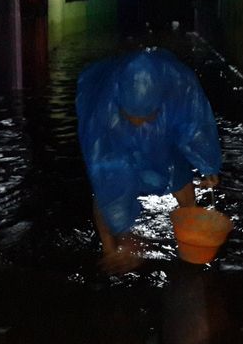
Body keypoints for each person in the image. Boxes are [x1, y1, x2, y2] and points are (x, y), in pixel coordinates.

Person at [76, 47, 222, 273]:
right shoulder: (102, 106)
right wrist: (124, 232)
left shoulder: (179, 84)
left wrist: (207, 163)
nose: (138, 126)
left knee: (179, 174)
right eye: (132, 118)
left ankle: (191, 233)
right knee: (105, 188)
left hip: (164, 131)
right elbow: (105, 170)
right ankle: (109, 251)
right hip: (116, 136)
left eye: (145, 118)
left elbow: (195, 124)